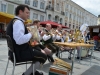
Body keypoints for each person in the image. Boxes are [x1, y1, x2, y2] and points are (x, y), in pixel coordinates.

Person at [6, 5, 47, 75]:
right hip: (19, 53)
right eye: (27, 13)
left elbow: (26, 39)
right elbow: (19, 40)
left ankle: (33, 72)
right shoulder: (18, 23)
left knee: (39, 52)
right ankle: (27, 74)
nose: (28, 15)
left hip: (15, 52)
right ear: (20, 12)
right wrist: (31, 33)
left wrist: (36, 36)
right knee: (43, 56)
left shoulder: (15, 21)